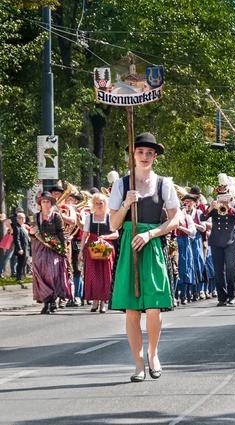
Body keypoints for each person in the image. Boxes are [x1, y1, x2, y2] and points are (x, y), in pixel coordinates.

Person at [109, 132, 181, 382]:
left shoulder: (164, 184)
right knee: (131, 310)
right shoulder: (121, 184)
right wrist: (127, 205)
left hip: (151, 245)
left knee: (153, 307)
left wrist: (152, 233)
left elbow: (176, 218)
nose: (145, 156)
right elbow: (113, 224)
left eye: (150, 153)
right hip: (130, 244)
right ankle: (138, 363)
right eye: (140, 152)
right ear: (133, 154)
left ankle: (153, 353)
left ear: (155, 157)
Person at [202, 187, 235, 307]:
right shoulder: (214, 207)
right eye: (220, 195)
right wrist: (210, 207)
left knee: (231, 269)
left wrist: (229, 206)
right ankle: (222, 297)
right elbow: (203, 218)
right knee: (218, 270)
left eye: (224, 195)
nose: (222, 198)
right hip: (216, 241)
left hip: (231, 241)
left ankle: (232, 295)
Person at [29, 191, 72, 314]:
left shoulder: (56, 216)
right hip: (39, 248)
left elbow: (61, 233)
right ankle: (47, 301)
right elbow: (32, 234)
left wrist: (63, 249)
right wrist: (31, 233)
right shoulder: (36, 217)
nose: (46, 203)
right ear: (40, 204)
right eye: (43, 201)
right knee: (40, 272)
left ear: (51, 203)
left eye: (48, 201)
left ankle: (52, 299)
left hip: (54, 247)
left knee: (52, 272)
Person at [80, 193, 119, 313]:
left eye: (101, 203)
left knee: (106, 275)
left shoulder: (109, 217)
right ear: (93, 204)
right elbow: (85, 235)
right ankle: (95, 301)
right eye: (96, 203)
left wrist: (105, 237)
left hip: (106, 248)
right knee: (92, 275)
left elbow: (116, 234)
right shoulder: (89, 218)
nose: (99, 205)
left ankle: (103, 302)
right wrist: (81, 251)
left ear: (105, 204)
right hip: (92, 248)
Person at [13, 212, 30, 285]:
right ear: (17, 219)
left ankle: (22, 276)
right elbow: (17, 239)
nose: (23, 219)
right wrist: (19, 249)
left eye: (24, 218)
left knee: (24, 262)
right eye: (21, 218)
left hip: (26, 247)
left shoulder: (23, 226)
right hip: (22, 248)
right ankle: (18, 277)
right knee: (20, 263)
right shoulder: (17, 227)